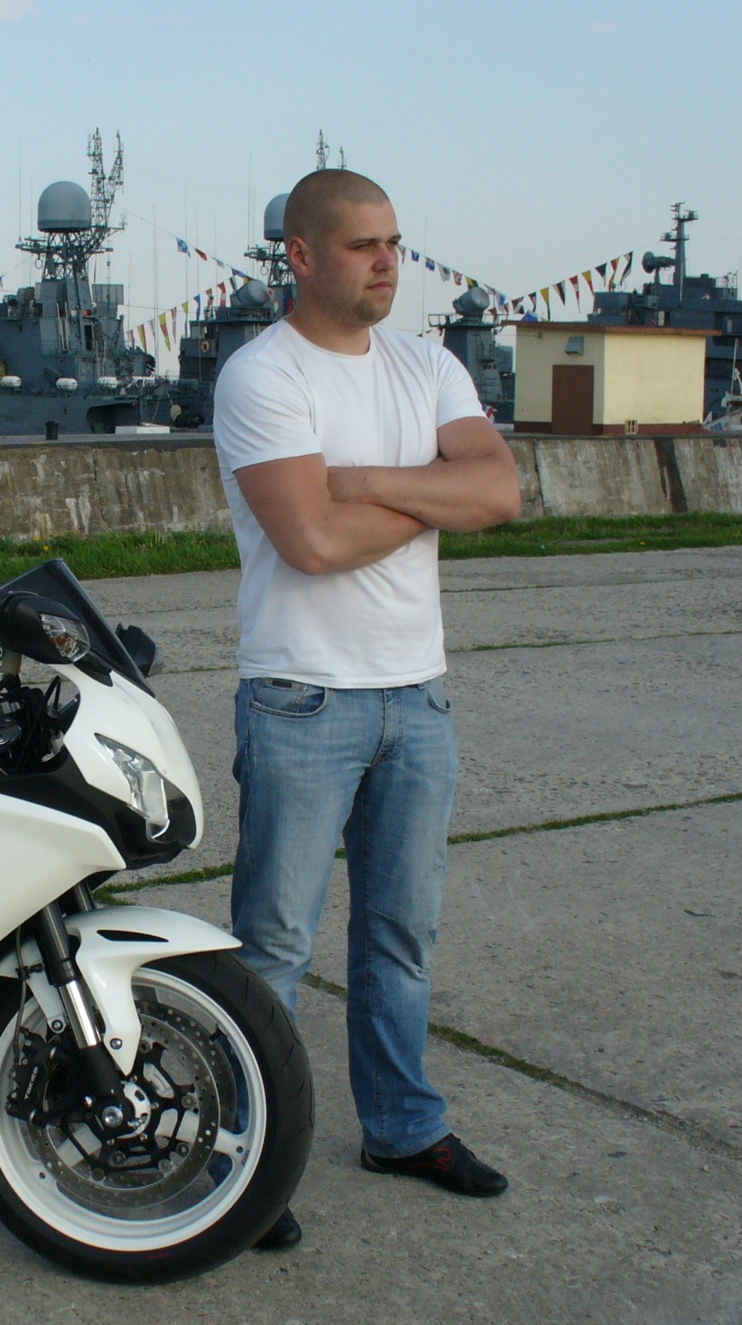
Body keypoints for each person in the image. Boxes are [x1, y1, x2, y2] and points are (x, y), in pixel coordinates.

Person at [211, 168, 523, 1250]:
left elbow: (499, 492)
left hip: (416, 696)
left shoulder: (427, 363)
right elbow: (310, 541)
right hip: (301, 697)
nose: (387, 262)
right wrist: (428, 494)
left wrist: (359, 481)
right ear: (301, 256)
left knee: (400, 936)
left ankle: (401, 1128)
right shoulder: (261, 375)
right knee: (272, 947)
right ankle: (245, 1162)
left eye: (394, 242)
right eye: (361, 245)